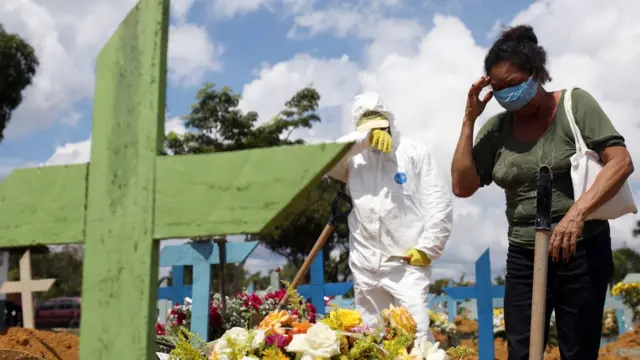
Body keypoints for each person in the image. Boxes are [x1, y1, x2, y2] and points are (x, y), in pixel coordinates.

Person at [451, 25, 634, 360]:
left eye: (514, 84)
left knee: (577, 351)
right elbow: (462, 186)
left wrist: (576, 214)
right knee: (521, 351)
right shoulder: (497, 129)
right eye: (498, 88)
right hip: (524, 256)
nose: (507, 94)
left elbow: (621, 162)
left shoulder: (574, 104)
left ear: (536, 74)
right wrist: (469, 121)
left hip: (581, 251)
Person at [328, 91, 453, 342]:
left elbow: (438, 202)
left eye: (379, 124)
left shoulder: (413, 151)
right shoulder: (353, 160)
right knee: (370, 337)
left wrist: (428, 247)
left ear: (389, 120)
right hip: (365, 263)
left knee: (415, 333)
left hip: (405, 262)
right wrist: (363, 140)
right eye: (368, 127)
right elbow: (328, 158)